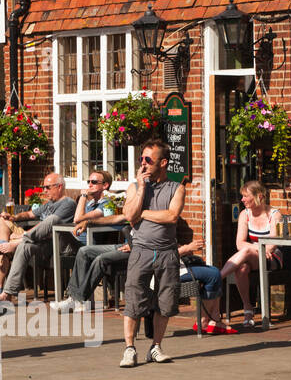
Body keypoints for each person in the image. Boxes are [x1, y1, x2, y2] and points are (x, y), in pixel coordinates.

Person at [120, 139, 186, 367]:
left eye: (149, 160)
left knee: (165, 301)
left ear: (163, 162)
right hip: (141, 251)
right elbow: (130, 216)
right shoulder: (135, 187)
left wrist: (144, 213)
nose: (144, 164)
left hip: (167, 252)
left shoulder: (176, 187)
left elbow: (171, 217)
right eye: (141, 159)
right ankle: (129, 348)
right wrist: (141, 188)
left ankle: (156, 347)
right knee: (133, 299)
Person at [49, 169, 123, 312]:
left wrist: (82, 196)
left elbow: (77, 219)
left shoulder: (107, 203)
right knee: (52, 227)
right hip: (77, 242)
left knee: (56, 227)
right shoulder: (90, 203)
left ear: (105, 185)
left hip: (88, 243)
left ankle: (73, 299)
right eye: (89, 181)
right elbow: (78, 219)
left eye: (94, 182)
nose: (90, 185)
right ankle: (72, 299)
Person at [0, 172, 78, 304]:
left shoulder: (68, 203)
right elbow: (30, 214)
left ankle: (15, 243)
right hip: (39, 241)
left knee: (50, 221)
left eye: (48, 187)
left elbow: (48, 229)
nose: (44, 191)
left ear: (59, 187)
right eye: (43, 188)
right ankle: (7, 293)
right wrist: (14, 217)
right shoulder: (48, 204)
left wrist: (22, 237)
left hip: (56, 243)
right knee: (3, 221)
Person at [219, 180, 282, 329]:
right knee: (241, 268)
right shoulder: (244, 214)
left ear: (259, 196)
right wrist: (257, 248)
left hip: (272, 257)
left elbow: (273, 244)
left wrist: (253, 248)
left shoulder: (274, 214)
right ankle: (248, 310)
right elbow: (239, 243)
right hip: (256, 254)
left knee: (245, 251)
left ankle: (217, 278)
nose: (242, 200)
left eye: (245, 196)